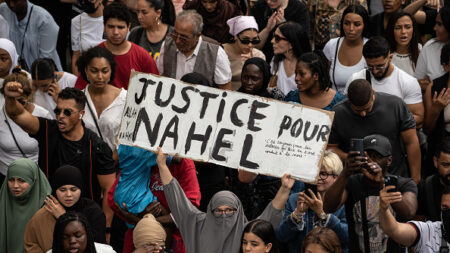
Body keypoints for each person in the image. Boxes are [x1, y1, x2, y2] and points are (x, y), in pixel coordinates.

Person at [3, 85, 116, 233]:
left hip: (84, 220)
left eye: (67, 112)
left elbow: (109, 189)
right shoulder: (48, 130)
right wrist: (11, 98)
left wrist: (106, 228)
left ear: (81, 114)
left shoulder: (96, 146)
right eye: (58, 111)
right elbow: (17, 115)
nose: (61, 116)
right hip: (48, 215)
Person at [157, 146, 294, 253]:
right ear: (210, 211)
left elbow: (271, 216)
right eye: (218, 211)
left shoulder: (248, 233)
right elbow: (177, 200)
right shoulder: (195, 225)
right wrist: (162, 166)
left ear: (238, 211)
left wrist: (285, 189)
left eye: (229, 211)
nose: (224, 215)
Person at [324, 134, 418, 253]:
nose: (371, 161)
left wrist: (381, 185)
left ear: (389, 160)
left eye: (377, 157)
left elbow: (409, 212)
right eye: (367, 156)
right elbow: (328, 207)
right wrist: (345, 172)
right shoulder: (353, 182)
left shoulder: (403, 183)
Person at [108, 147, 201, 253]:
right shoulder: (140, 155)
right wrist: (137, 219)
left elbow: (190, 211)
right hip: (140, 239)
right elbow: (112, 200)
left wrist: (146, 221)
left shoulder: (184, 163)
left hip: (174, 241)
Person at [329, 79, 421, 182]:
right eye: (357, 111)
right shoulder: (338, 113)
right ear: (348, 97)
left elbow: (411, 142)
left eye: (367, 109)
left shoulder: (395, 105)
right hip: (357, 181)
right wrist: (348, 158)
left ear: (373, 93)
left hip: (395, 175)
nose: (363, 114)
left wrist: (416, 178)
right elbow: (331, 148)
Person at [75, 2, 159, 90]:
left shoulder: (142, 56)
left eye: (120, 27)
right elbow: (80, 91)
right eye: (111, 27)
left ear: (128, 27)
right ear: (104, 26)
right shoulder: (92, 56)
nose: (115, 32)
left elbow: (155, 89)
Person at [276, 150, 348, 253]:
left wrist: (322, 215)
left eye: (323, 174)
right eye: (314, 173)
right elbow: (281, 237)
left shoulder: (343, 202)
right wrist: (298, 214)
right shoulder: (296, 199)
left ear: (336, 178)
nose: (317, 178)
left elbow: (347, 238)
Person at [345, 36, 424, 128]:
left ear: (390, 58)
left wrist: (388, 121)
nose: (375, 71)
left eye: (380, 66)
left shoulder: (407, 82)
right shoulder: (356, 78)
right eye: (370, 67)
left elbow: (418, 117)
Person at [24, 165, 106, 253]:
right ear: (55, 190)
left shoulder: (93, 212)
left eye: (73, 190)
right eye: (62, 190)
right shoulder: (45, 213)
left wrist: (64, 217)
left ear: (81, 189)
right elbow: (31, 243)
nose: (68, 195)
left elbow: (97, 245)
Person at [0, 69, 51, 186]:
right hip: (6, 179)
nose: (16, 106)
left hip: (35, 178)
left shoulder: (43, 115)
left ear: (28, 96)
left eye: (20, 101)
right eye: (11, 100)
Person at [157, 10, 232, 89]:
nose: (177, 41)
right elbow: (159, 76)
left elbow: (225, 89)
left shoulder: (215, 52)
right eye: (175, 34)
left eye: (183, 38)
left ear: (197, 36)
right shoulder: (167, 45)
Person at [78, 46, 126, 156]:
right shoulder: (78, 99)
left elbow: (129, 139)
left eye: (105, 71)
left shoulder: (124, 99)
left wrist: (110, 162)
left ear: (111, 71)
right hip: (86, 165)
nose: (100, 76)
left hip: (118, 166)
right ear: (86, 71)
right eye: (94, 71)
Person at [0, 158, 51, 253]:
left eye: (21, 180)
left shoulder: (48, 207)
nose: (15, 185)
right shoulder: (3, 201)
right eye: (11, 180)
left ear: (34, 180)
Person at [378, 185, 450, 252]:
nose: (448, 212)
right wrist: (384, 209)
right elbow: (395, 230)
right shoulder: (428, 231)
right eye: (445, 207)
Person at [0, 0, 62, 70]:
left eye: (15, 1)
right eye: (8, 1)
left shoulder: (44, 20)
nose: (11, 5)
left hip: (44, 73)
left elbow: (46, 59)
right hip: (18, 73)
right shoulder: (3, 10)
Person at [323, 4, 369, 93]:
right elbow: (323, 78)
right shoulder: (332, 45)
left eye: (357, 24)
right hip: (335, 103)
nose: (351, 28)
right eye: (347, 23)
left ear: (364, 25)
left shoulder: (370, 46)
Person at [269, 22, 311, 98]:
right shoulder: (276, 61)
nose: (272, 41)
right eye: (273, 36)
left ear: (291, 44)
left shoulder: (308, 66)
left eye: (277, 38)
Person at [223, 15, 266, 90]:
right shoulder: (222, 51)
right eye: (245, 40)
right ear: (236, 36)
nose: (250, 45)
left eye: (254, 41)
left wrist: (254, 65)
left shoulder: (258, 55)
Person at [415, 6, 450, 90]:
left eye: (439, 24)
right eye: (435, 23)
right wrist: (431, 86)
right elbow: (417, 83)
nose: (434, 28)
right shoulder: (429, 47)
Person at [49, 212, 116, 253]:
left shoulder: (106, 251)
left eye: (78, 235)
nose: (72, 241)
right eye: (65, 237)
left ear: (87, 235)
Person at [71, 0, 105, 75]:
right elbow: (76, 55)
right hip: (87, 73)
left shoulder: (111, 19)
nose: (85, 2)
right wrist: (76, 81)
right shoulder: (76, 22)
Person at [385, 11, 421, 77]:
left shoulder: (421, 50)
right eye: (398, 28)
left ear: (413, 29)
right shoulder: (385, 53)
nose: (403, 32)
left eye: (407, 27)